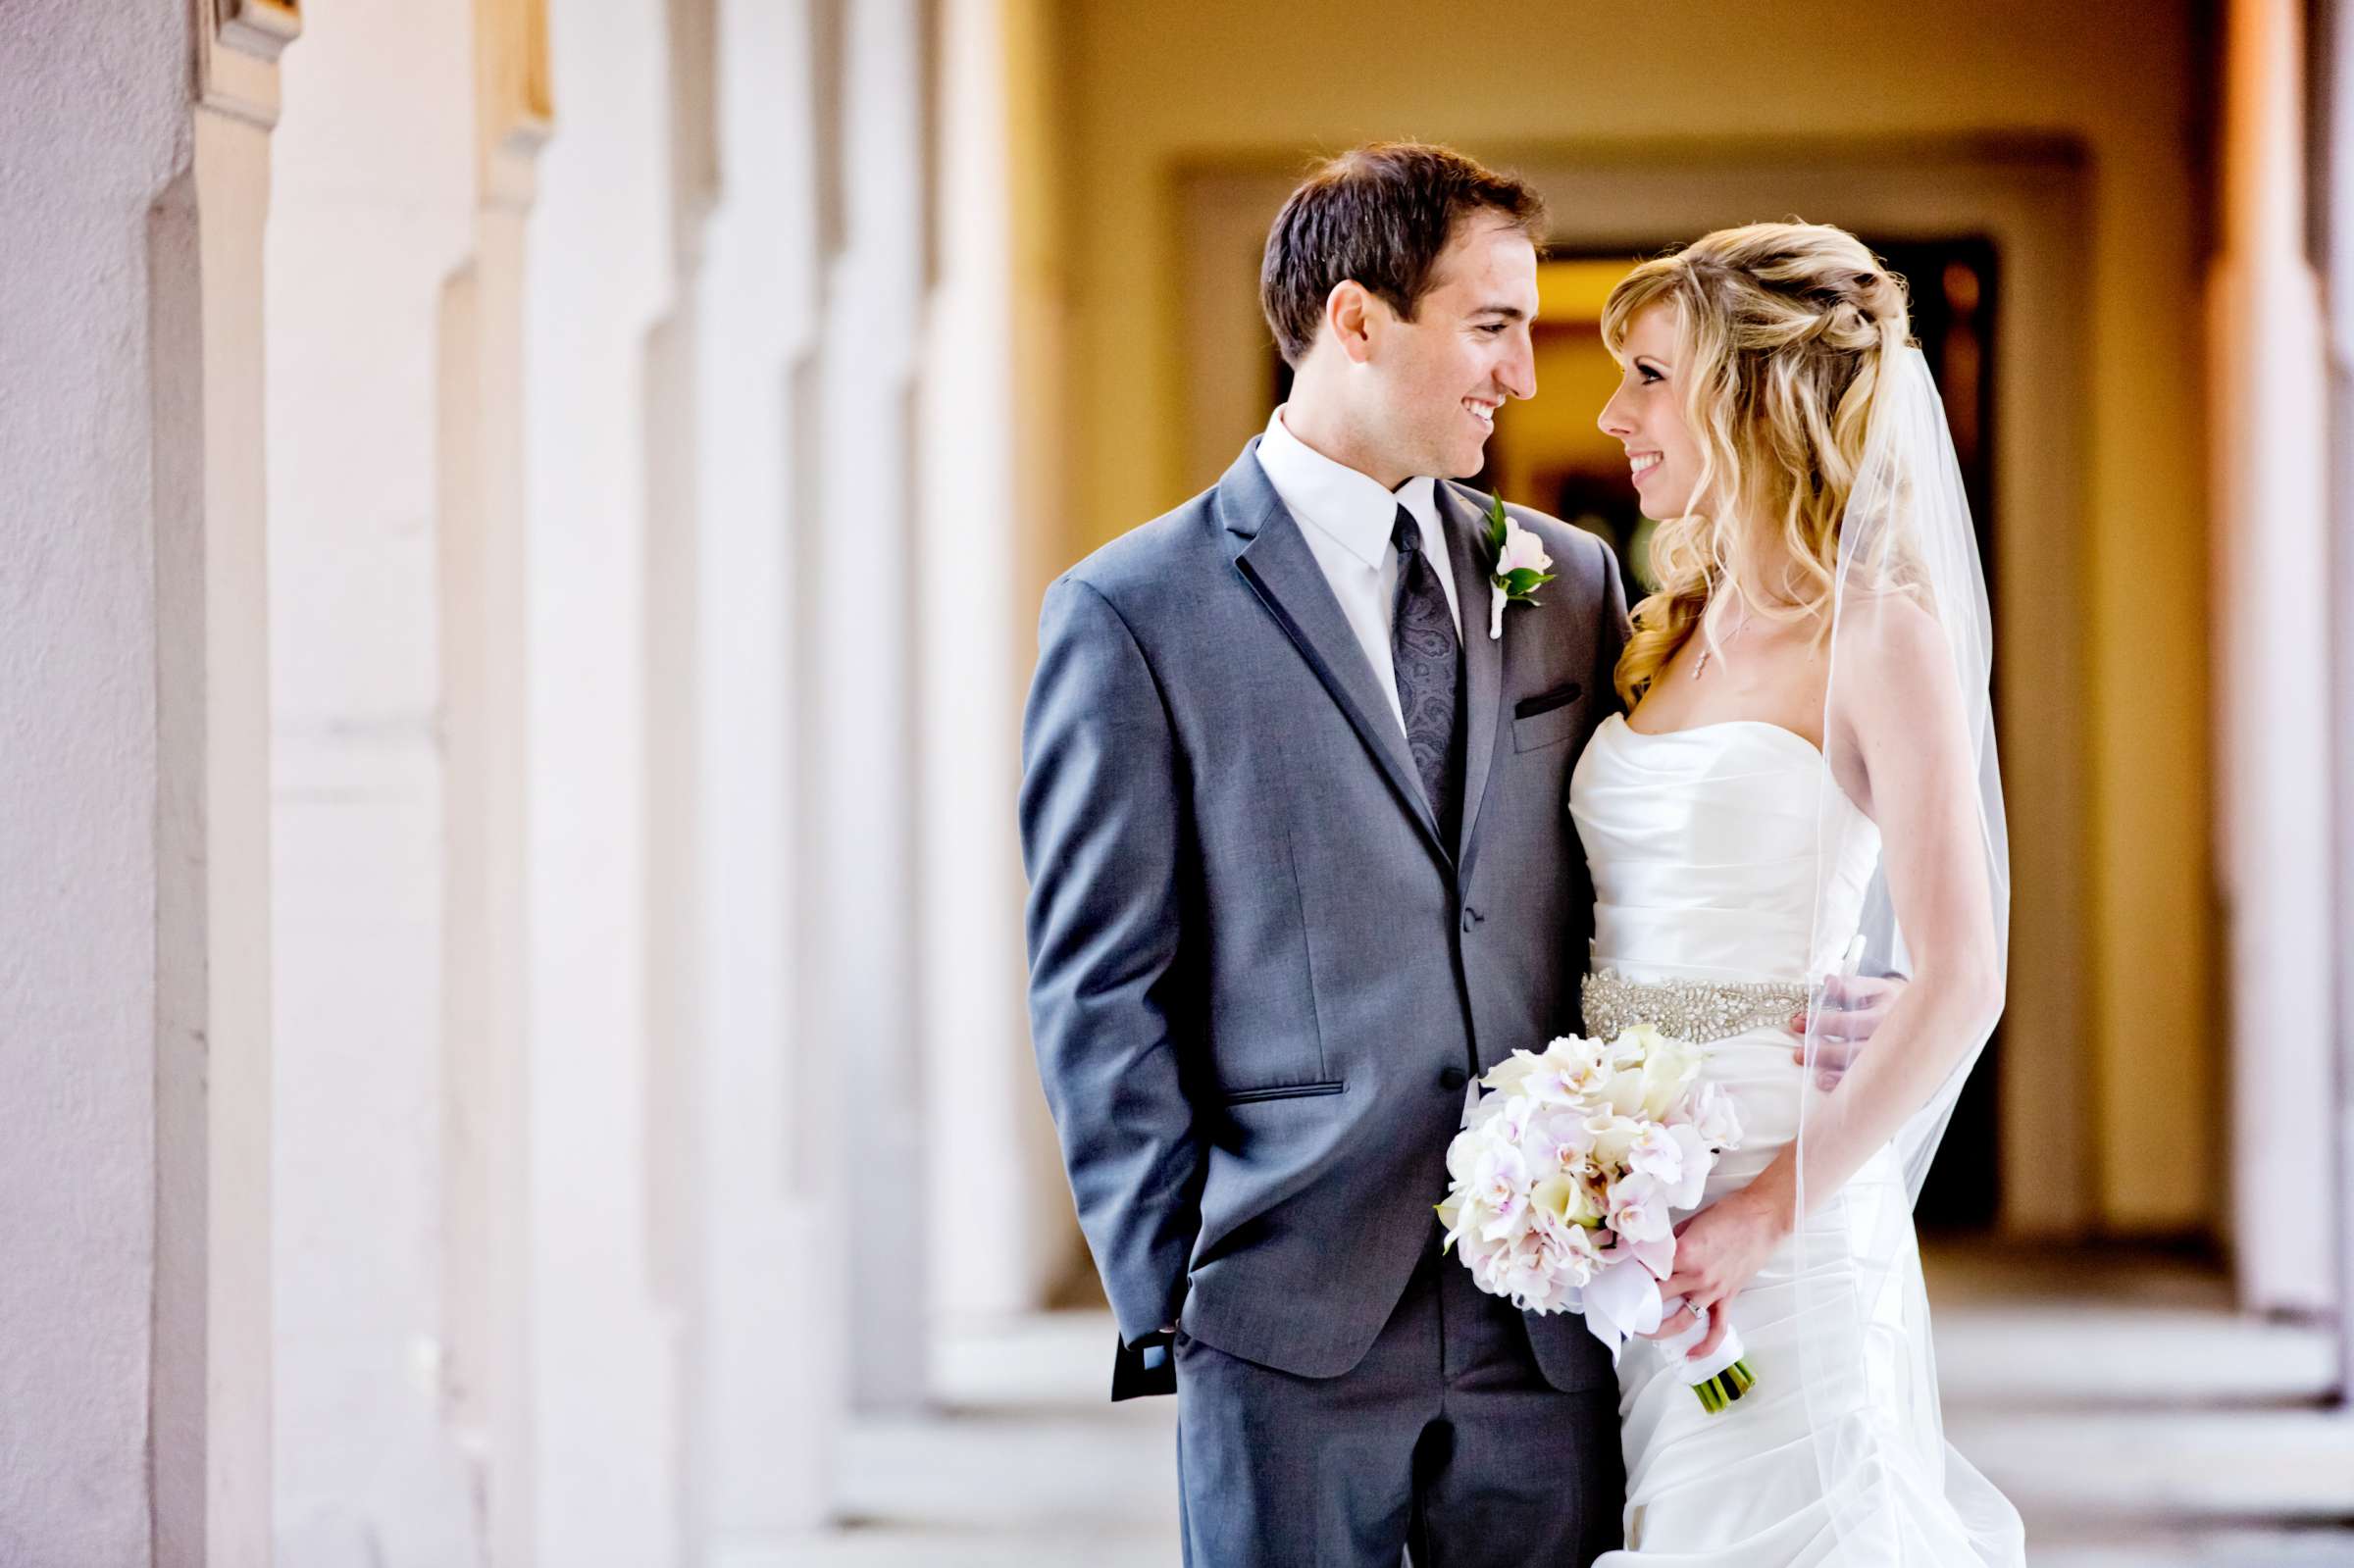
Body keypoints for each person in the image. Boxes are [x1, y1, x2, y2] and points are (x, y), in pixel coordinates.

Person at [1020, 141, 1627, 1565]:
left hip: (1547, 1326)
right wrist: (1181, 1282)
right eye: (1491, 327)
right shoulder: (1132, 612)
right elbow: (1097, 982)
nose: (1522, 376)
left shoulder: (1569, 583)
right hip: (1285, 1317)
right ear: (1357, 322)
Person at [1580, 221, 2024, 1563]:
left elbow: (1962, 978)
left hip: (1788, 1210)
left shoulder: (1879, 634)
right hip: (1629, 1206)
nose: (1613, 416)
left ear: (1750, 393)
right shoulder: (1667, 631)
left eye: (1650, 377)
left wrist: (1763, 1210)